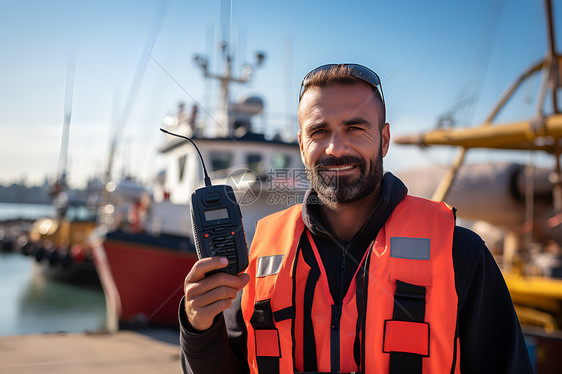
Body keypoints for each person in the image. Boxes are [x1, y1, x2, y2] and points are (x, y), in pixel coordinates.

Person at [179, 63, 533, 373]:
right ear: (302, 145)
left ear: (384, 139)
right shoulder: (258, 258)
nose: (336, 148)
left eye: (355, 128)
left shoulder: (460, 254)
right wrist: (198, 328)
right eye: (319, 132)